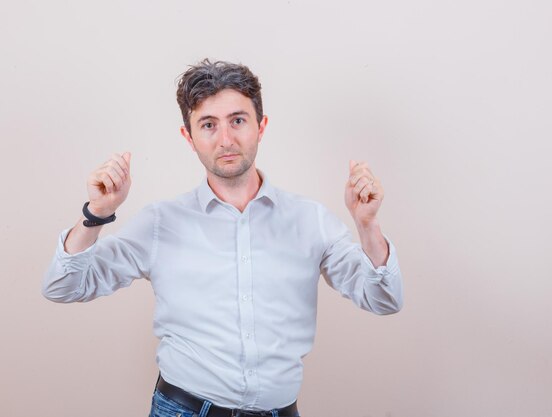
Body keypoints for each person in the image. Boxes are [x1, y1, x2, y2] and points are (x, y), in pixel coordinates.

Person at [42, 59, 403, 417]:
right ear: (189, 136)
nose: (226, 140)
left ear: (261, 126)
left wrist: (367, 226)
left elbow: (384, 299)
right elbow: (63, 286)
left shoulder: (311, 221)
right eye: (209, 125)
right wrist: (96, 213)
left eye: (238, 121)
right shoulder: (159, 223)